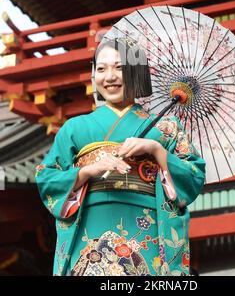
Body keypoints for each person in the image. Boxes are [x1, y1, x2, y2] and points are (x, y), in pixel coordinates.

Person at [35, 38, 206, 276]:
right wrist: (86, 172)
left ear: (136, 73)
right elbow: (47, 177)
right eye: (101, 69)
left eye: (119, 68)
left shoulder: (165, 127)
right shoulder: (73, 129)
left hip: (147, 227)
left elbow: (194, 174)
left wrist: (157, 150)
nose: (110, 77)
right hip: (91, 225)